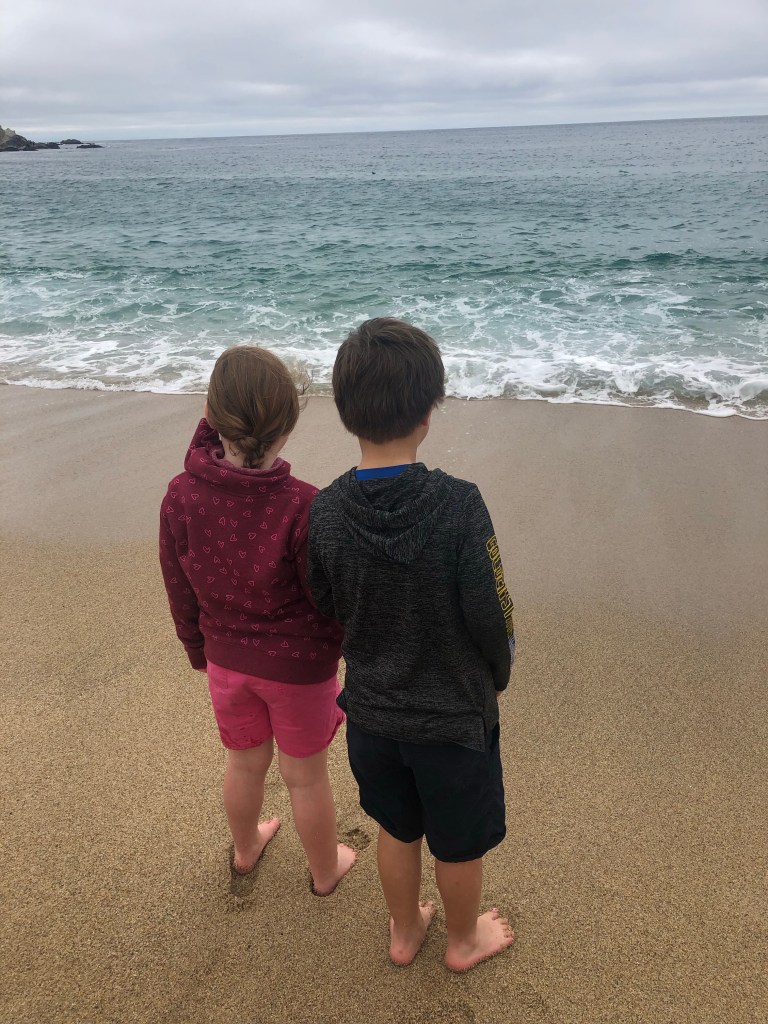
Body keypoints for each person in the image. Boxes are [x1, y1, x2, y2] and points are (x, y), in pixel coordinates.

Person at [307, 318, 516, 972]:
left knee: (396, 828)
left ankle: (404, 932)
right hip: (453, 719)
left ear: (346, 412)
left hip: (372, 715)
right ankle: (462, 940)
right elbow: (491, 610)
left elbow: (324, 598)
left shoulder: (325, 511)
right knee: (458, 843)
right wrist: (499, 670)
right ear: (429, 411)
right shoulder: (460, 506)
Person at [159, 345, 355, 896]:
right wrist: (335, 649)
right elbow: (327, 599)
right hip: (300, 670)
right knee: (305, 777)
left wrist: (196, 648)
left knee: (244, 765)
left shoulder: (181, 495)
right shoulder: (305, 504)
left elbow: (177, 582)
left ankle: (246, 850)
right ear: (287, 429)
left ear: (211, 417)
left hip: (225, 660)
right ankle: (325, 872)